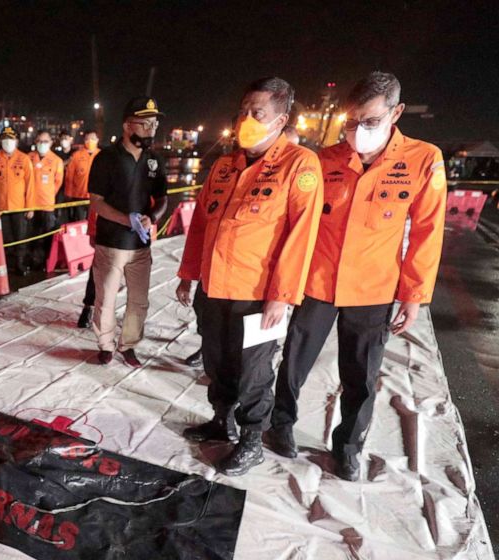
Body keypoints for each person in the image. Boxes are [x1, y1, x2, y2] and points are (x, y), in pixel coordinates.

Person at [268, 72, 446, 481]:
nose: (357, 131)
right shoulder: (325, 159)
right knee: (294, 361)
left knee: (360, 376)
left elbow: (426, 233)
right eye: (351, 122)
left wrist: (413, 295)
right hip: (317, 283)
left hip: (373, 288)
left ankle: (347, 447)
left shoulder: (422, 159)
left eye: (368, 121)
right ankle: (280, 426)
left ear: (396, 112)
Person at [176, 77, 322, 477]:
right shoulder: (225, 166)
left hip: (258, 295)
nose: (247, 119)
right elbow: (201, 228)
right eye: (243, 110)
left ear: (281, 119)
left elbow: (301, 236)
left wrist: (282, 295)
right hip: (214, 288)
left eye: (257, 112)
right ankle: (221, 421)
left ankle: (252, 439)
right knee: (217, 360)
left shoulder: (300, 165)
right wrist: (189, 275)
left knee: (254, 370)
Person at [87, 97, 169, 367]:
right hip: (111, 243)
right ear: (126, 125)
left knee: (139, 301)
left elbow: (163, 198)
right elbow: (97, 201)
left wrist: (152, 218)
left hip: (141, 245)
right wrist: (126, 219)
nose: (151, 129)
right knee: (106, 299)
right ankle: (106, 344)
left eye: (154, 124)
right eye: (145, 124)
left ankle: (129, 344)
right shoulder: (106, 159)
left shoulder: (154, 160)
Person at [0, 126, 35, 275]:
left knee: (20, 238)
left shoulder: (24, 159)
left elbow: (30, 185)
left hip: (19, 207)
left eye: (11, 139)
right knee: (0, 239)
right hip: (0, 208)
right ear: (0, 141)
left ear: (16, 141)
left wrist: (30, 207)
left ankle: (20, 264)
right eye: (4, 139)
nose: (7, 142)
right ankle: (0, 265)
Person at [65, 129, 101, 328]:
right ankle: (88, 307)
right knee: (97, 272)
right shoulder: (80, 157)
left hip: (125, 233)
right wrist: (93, 232)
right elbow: (98, 204)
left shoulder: (102, 157)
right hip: (105, 229)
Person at [29, 130, 64, 266]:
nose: (41, 144)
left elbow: (57, 182)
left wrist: (48, 194)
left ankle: (47, 260)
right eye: (39, 141)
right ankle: (32, 259)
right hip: (30, 204)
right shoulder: (29, 158)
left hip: (47, 204)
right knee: (32, 234)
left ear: (51, 142)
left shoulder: (56, 161)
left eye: (45, 141)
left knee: (47, 234)